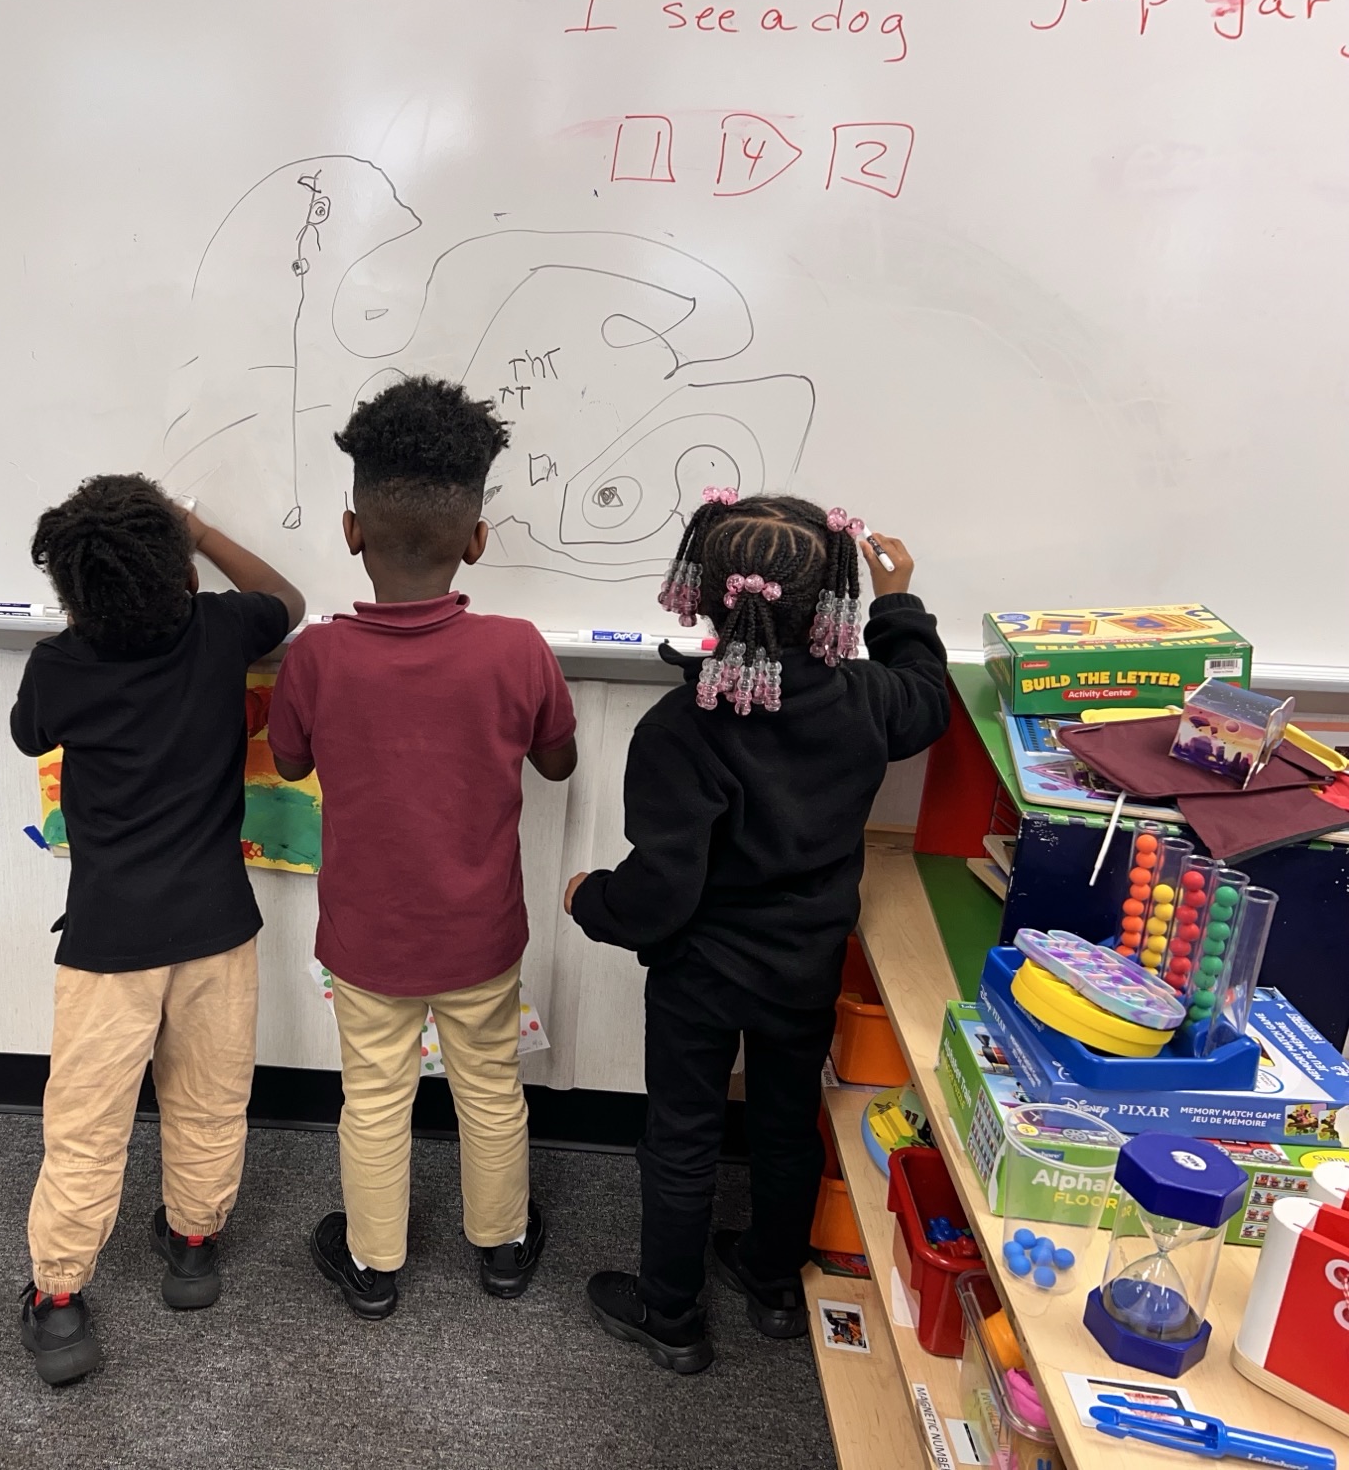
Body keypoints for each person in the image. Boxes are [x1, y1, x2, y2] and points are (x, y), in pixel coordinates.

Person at [564, 492, 948, 1375]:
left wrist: (591, 900)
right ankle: (774, 1283)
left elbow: (660, 893)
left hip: (700, 974)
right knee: (784, 1124)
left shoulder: (680, 729)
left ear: (700, 591)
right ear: (833, 604)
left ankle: (671, 1314)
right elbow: (927, 696)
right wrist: (898, 602)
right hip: (805, 966)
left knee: (683, 1134)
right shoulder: (867, 701)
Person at [270, 377, 578, 1320]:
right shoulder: (519, 648)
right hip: (481, 934)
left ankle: (374, 1267)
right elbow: (558, 764)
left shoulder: (316, 657)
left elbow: (287, 761)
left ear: (351, 530)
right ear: (477, 539)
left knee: (373, 1097)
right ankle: (502, 1249)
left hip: (367, 938)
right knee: (491, 1088)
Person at [10, 474, 304, 1385]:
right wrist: (200, 531)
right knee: (211, 1096)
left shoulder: (59, 668)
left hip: (108, 944)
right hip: (218, 927)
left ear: (73, 591)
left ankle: (59, 1304)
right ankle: (191, 1247)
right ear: (179, 575)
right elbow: (287, 602)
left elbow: (29, 736)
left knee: (88, 1123)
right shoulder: (219, 632)